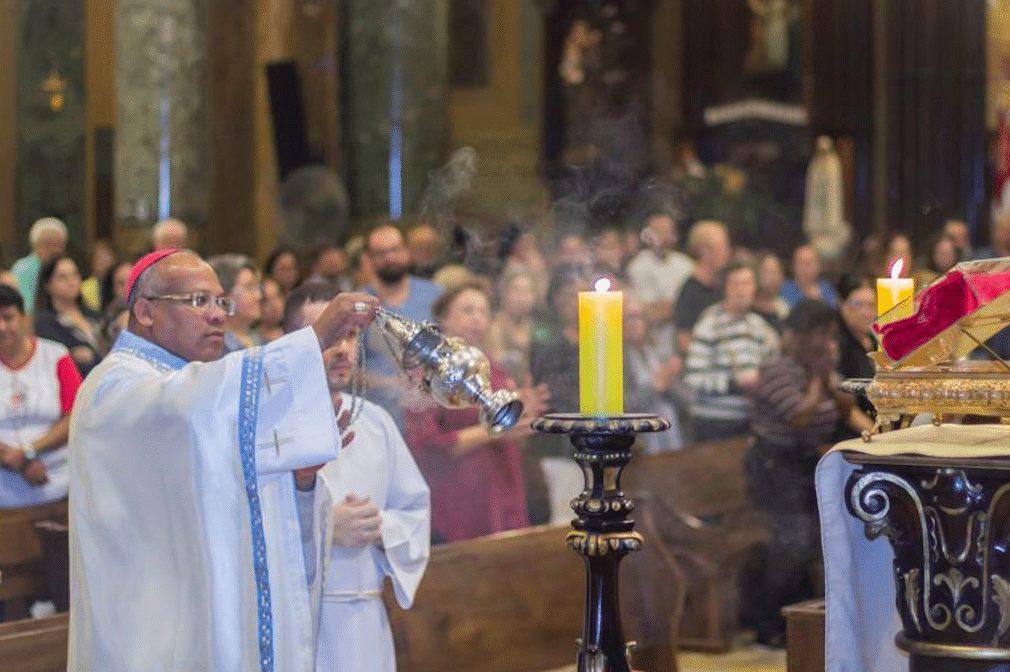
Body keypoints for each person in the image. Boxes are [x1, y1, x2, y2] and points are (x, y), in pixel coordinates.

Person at [67, 248, 380, 671]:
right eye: (198, 301)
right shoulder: (115, 388)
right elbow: (185, 408)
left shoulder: (204, 392)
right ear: (145, 311)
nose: (217, 315)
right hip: (148, 631)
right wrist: (312, 340)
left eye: (220, 302)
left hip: (211, 619)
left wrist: (299, 481)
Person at [282, 282, 430, 672]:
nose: (343, 349)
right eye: (329, 337)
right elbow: (245, 523)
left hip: (366, 623)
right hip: (297, 624)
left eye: (350, 336)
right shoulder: (271, 426)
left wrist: (380, 527)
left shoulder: (375, 422)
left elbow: (414, 510)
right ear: (290, 346)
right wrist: (324, 526)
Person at [746, 299, 855, 647]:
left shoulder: (816, 366)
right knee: (791, 541)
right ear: (794, 335)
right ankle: (769, 624)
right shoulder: (777, 368)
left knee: (811, 540)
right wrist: (818, 381)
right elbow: (798, 415)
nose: (824, 342)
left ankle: (802, 622)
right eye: (818, 334)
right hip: (774, 465)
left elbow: (845, 408)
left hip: (804, 462)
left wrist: (828, 379)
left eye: (829, 335)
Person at [404, 281, 547, 542]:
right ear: (443, 318)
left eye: (483, 312)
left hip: (503, 487)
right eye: (468, 310)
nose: (477, 318)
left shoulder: (492, 366)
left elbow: (515, 431)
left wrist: (525, 411)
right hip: (458, 495)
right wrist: (494, 430)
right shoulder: (426, 373)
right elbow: (427, 447)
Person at [0, 285, 82, 508]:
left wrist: (29, 451)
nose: (2, 327)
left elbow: (75, 415)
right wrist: (14, 459)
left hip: (58, 481)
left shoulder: (56, 355)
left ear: (24, 318)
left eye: (8, 317)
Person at [684, 262, 779, 442]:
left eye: (747, 284)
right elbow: (693, 377)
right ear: (725, 288)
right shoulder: (709, 324)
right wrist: (734, 383)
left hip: (752, 420)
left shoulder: (760, 327)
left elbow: (773, 368)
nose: (742, 290)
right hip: (714, 422)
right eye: (735, 284)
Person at [361, 223, 443, 425]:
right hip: (381, 416)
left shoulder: (435, 295)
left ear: (407, 252)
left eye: (394, 250)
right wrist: (390, 384)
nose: (389, 258)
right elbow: (348, 370)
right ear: (369, 259)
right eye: (380, 253)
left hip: (433, 415)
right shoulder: (359, 304)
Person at [626, 211, 694, 353]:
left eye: (665, 231)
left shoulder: (687, 265)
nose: (661, 236)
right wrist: (674, 307)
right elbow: (647, 312)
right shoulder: (637, 266)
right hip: (649, 344)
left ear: (674, 235)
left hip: (682, 341)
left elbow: (691, 306)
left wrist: (669, 308)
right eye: (656, 231)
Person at [33, 255, 102, 376]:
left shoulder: (94, 315)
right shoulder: (45, 323)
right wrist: (73, 355)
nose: (71, 281)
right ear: (48, 285)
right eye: (63, 277)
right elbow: (54, 358)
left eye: (75, 274)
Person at [674, 220, 732, 354]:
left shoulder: (723, 285)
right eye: (722, 247)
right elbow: (684, 341)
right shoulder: (690, 293)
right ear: (704, 251)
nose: (727, 253)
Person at [485, 266, 538, 383]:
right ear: (504, 293)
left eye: (527, 291)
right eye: (516, 291)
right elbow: (496, 367)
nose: (522, 298)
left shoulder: (536, 327)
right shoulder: (494, 327)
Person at [208, 254, 264, 353]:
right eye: (249, 287)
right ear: (223, 297)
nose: (259, 296)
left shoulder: (262, 341)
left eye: (257, 287)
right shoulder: (212, 349)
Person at [12, 217, 68, 315]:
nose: (54, 250)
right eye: (48, 244)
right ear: (35, 245)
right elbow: (25, 309)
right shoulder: (23, 269)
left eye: (58, 244)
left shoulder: (66, 267)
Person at [780, 244, 839, 308]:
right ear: (793, 266)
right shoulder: (782, 289)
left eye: (809, 263)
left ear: (819, 266)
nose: (805, 268)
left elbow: (834, 309)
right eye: (801, 263)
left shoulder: (827, 288)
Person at [753, 252, 789, 330]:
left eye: (776, 272)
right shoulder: (747, 305)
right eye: (767, 272)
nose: (773, 278)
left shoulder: (784, 308)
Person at [80, 239, 117, 313]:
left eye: (107, 258)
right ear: (92, 263)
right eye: (100, 259)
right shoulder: (85, 287)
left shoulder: (118, 282)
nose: (105, 263)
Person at [259, 276, 286, 344]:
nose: (274, 304)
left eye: (278, 296)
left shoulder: (295, 334)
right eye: (266, 300)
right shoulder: (249, 341)